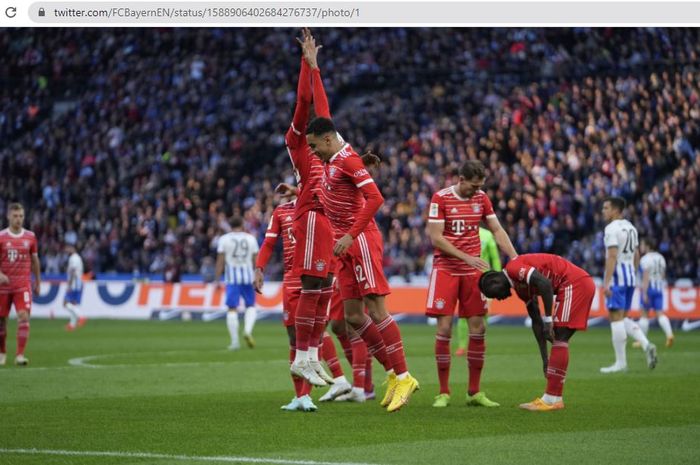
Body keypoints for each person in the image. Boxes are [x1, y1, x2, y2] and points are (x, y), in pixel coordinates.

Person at [304, 48, 419, 413]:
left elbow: (376, 198)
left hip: (361, 238)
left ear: (326, 140)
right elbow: (321, 112)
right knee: (353, 317)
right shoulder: (332, 155)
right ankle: (392, 372)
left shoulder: (347, 160)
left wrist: (352, 234)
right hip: (345, 244)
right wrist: (314, 68)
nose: (312, 153)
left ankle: (404, 375)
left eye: (313, 147)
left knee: (377, 309)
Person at [426, 160, 518, 408]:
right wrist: (466, 256)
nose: (476, 191)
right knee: (444, 330)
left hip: (472, 275)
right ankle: (443, 392)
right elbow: (435, 237)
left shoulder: (481, 199)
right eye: (473, 186)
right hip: (445, 271)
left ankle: (474, 392)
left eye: (480, 186)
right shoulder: (440, 198)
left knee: (478, 329)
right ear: (461, 179)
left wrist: (516, 257)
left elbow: (497, 230)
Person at [277, 29, 337, 388]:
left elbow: (324, 111)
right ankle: (301, 358)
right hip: (311, 215)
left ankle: (312, 356)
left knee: (324, 290)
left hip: (327, 218)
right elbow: (304, 103)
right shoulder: (299, 143)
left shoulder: (326, 141)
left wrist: (316, 67)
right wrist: (307, 64)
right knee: (313, 286)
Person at [479, 253, 596, 411]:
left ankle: (551, 399)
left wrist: (549, 321)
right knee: (559, 339)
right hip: (572, 285)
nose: (498, 299)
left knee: (559, 337)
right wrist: (544, 359)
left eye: (493, 294)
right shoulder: (520, 289)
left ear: (495, 281)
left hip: (573, 284)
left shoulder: (513, 268)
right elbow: (536, 321)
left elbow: (545, 283)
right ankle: (553, 398)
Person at [599, 197, 657, 373]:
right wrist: (633, 273)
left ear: (616, 210)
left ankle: (620, 363)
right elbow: (637, 255)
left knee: (615, 318)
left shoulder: (611, 229)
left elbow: (612, 256)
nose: (603, 211)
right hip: (630, 277)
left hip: (617, 278)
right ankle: (646, 345)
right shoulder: (631, 227)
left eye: (606, 207)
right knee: (623, 318)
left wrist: (606, 282)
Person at [0, 203, 41, 366]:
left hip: (22, 285)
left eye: (21, 216)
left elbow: (35, 260)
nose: (18, 219)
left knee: (23, 317)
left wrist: (38, 281)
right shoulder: (1, 237)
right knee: (1, 321)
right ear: (9, 216)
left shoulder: (30, 237)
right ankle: (2, 353)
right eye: (15, 216)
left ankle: (20, 355)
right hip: (3, 286)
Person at [214, 216, 259, 351]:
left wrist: (217, 279)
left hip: (232, 278)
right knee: (250, 306)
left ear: (230, 225)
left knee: (232, 308)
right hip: (248, 277)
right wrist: (258, 275)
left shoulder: (224, 239)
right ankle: (247, 331)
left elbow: (220, 261)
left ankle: (234, 342)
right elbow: (255, 259)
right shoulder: (250, 238)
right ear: (242, 224)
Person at [455, 226, 502, 356]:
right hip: (467, 278)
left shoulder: (485, 234)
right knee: (464, 313)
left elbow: (495, 257)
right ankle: (463, 346)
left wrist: (497, 277)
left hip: (484, 279)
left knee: (483, 313)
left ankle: (479, 341)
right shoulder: (465, 233)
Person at [637, 238, 674, 348]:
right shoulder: (661, 258)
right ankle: (669, 335)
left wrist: (644, 293)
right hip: (659, 288)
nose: (641, 247)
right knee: (660, 313)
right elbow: (663, 275)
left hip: (649, 288)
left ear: (648, 246)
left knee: (644, 314)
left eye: (643, 244)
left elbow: (645, 276)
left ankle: (641, 340)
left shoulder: (645, 259)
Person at [64, 243, 87, 331]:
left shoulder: (74, 258)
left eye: (67, 248)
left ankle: (81, 316)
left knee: (65, 303)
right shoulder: (77, 257)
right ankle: (72, 325)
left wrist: (69, 284)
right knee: (73, 304)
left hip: (74, 283)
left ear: (72, 248)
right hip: (78, 282)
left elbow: (73, 271)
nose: (66, 250)